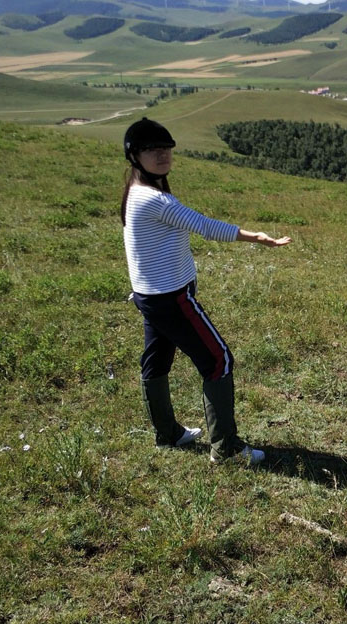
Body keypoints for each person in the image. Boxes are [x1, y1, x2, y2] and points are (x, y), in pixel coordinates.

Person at [121, 117, 291, 464]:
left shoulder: (136, 193)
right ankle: (226, 449)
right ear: (135, 156)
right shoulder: (154, 200)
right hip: (170, 297)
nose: (163, 154)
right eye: (152, 150)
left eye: (166, 148)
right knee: (218, 360)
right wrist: (255, 236)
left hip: (150, 295)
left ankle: (167, 434)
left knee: (156, 360)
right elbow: (204, 226)